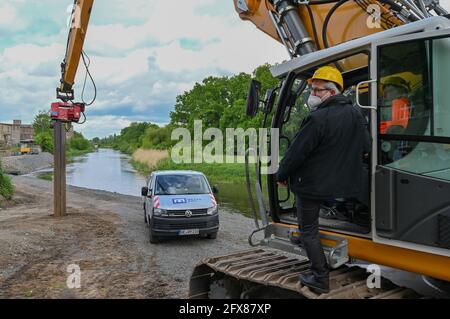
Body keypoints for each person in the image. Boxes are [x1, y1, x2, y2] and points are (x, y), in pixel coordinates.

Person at [276, 66, 371, 294]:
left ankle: (319, 276)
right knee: (316, 223)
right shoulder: (355, 114)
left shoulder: (318, 118)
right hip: (343, 185)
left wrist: (282, 175)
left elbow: (297, 152)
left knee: (308, 230)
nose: (313, 95)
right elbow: (366, 147)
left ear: (330, 91)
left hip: (312, 186)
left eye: (317, 91)